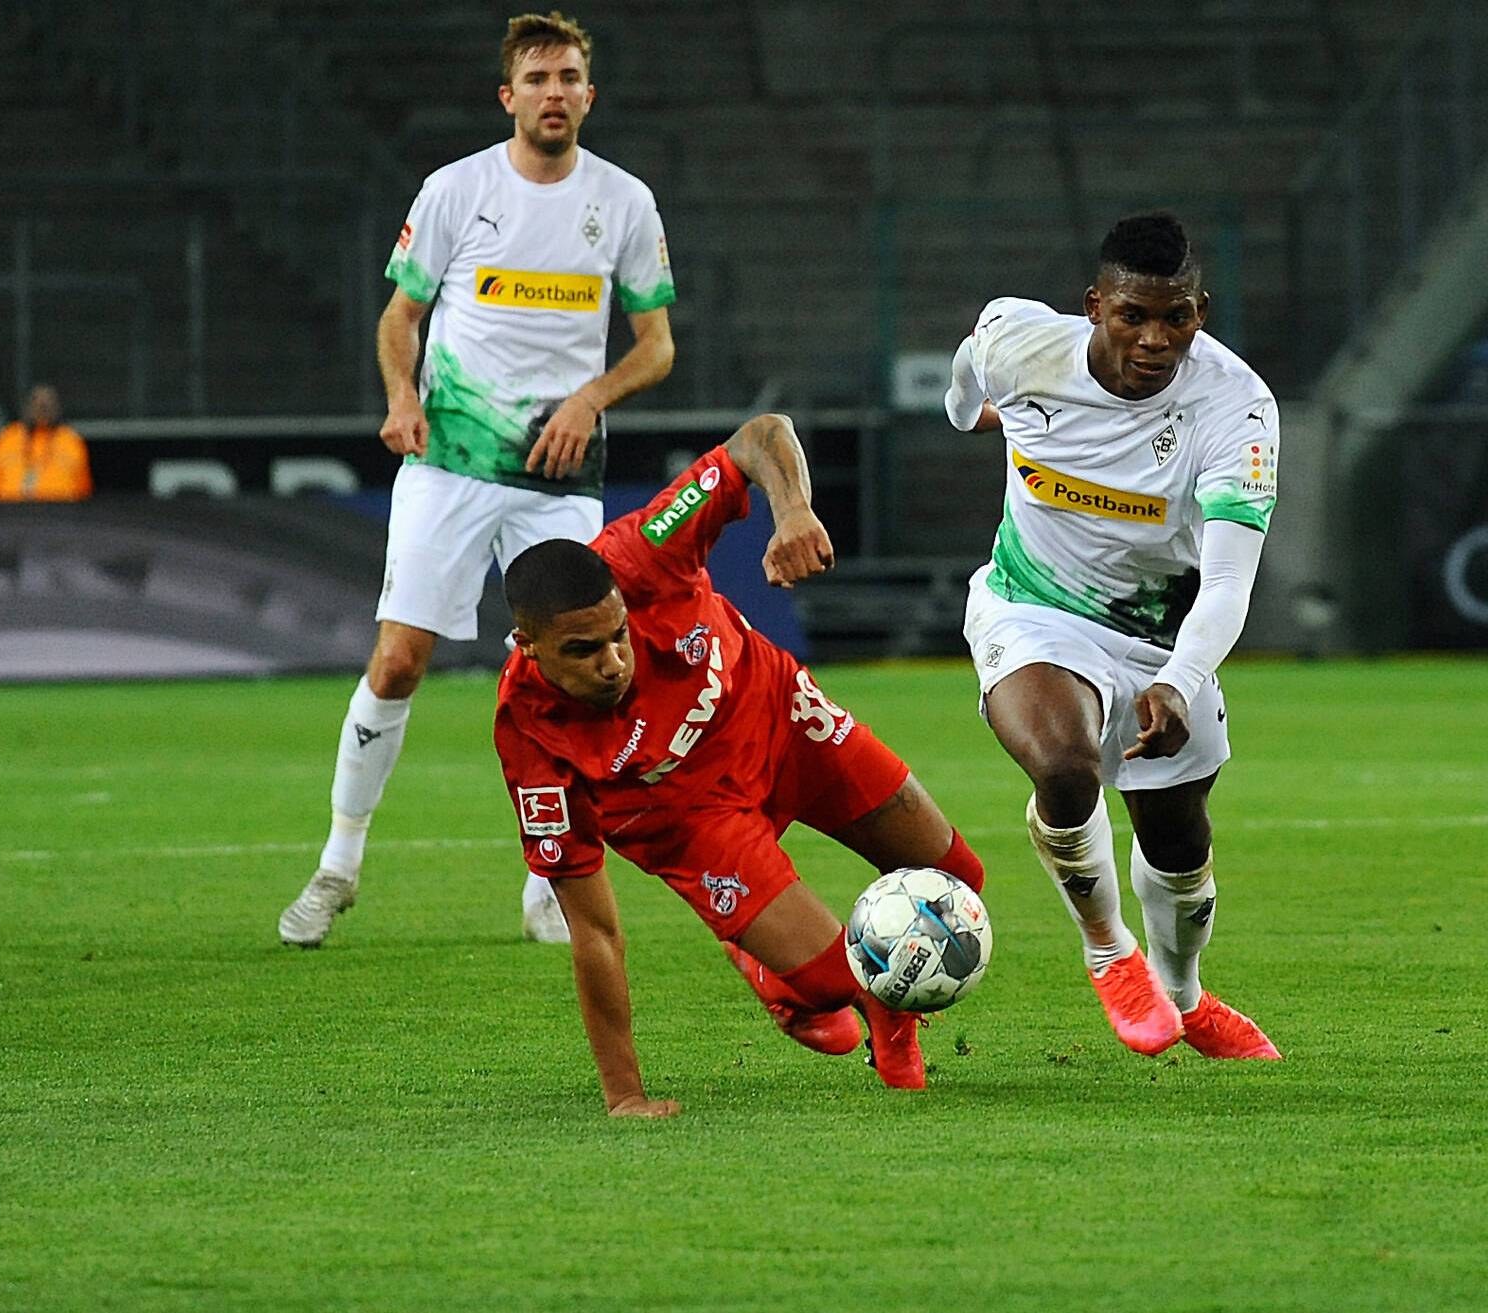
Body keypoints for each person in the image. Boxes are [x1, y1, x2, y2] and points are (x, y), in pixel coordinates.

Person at [280, 11, 678, 948]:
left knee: (566, 676)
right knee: (398, 660)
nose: (553, 92)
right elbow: (398, 318)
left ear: (589, 94)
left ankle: (551, 878)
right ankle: (337, 866)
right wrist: (399, 394)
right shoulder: (457, 190)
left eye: (569, 76)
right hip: (450, 466)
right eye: (537, 77)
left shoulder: (624, 202)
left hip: (559, 474)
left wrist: (592, 395)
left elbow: (657, 346)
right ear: (509, 96)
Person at [495, 413, 989, 1115]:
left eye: (617, 636)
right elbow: (594, 928)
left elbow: (761, 435)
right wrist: (624, 1095)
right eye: (582, 651)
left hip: (778, 714)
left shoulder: (645, 550)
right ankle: (775, 967)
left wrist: (793, 512)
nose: (611, 662)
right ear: (528, 644)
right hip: (689, 819)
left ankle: (888, 1009)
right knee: (831, 986)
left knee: (957, 878)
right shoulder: (528, 733)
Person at [943, 211, 1282, 1062]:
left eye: (1178, 317)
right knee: (1064, 764)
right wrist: (967, 414)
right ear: (1095, 306)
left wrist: (1180, 680)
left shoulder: (1236, 407)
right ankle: (1109, 951)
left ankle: (1185, 993)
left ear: (1201, 310)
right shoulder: (1023, 345)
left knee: (1178, 840)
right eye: (1134, 315)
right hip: (1032, 607)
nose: (1155, 339)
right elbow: (966, 367)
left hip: (1163, 641)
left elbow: (1232, 579)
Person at [0, 385, 92, 503]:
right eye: (36, 402)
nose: (42, 406)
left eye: (48, 402)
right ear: (26, 407)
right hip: (9, 512)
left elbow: (83, 488)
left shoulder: (71, 439)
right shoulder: (7, 437)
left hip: (60, 513)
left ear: (57, 408)